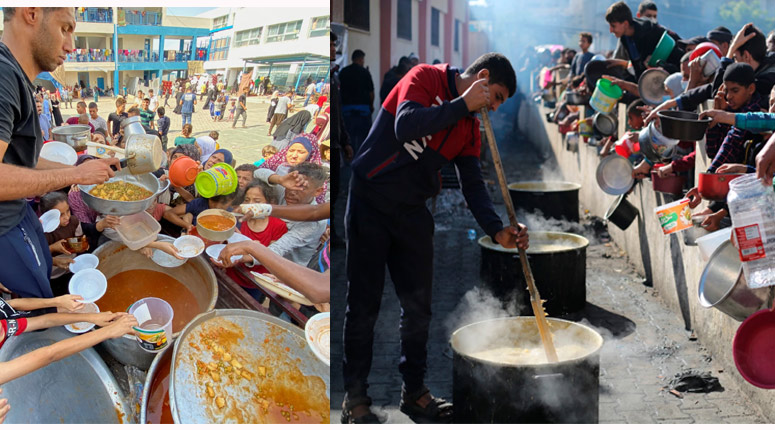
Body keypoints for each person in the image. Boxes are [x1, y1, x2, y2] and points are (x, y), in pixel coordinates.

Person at [342, 53, 529, 424]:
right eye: (496, 96)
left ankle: (414, 392)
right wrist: (462, 104)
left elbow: (473, 185)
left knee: (419, 308)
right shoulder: (425, 78)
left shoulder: (469, 128)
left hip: (412, 213)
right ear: (483, 77)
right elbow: (406, 126)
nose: (493, 106)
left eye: (498, 103)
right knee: (363, 307)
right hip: (370, 202)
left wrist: (497, 229)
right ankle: (356, 398)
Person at [0, 7, 120, 300]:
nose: (70, 45)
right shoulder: (3, 75)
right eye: (65, 28)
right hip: (5, 229)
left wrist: (83, 164)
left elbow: (20, 159)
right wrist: (75, 174)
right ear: (32, 13)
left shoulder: (19, 78)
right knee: (37, 309)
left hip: (19, 215)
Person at [251, 162, 327, 266]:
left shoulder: (315, 222)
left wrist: (245, 255)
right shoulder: (284, 191)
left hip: (285, 270)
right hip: (261, 251)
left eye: (301, 188)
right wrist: (280, 180)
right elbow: (257, 173)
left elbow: (278, 249)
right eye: (291, 185)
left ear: (318, 191)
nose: (292, 192)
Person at [605, 1, 683, 78]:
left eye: (613, 26)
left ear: (625, 24)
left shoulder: (650, 31)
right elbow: (637, 68)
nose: (610, 30)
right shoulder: (624, 38)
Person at [339, 49, 375, 154]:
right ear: (360, 59)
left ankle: (349, 159)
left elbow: (339, 90)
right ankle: (361, 159)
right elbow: (371, 92)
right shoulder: (365, 72)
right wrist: (371, 106)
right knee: (363, 138)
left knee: (348, 137)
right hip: (363, 111)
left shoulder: (343, 72)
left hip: (347, 111)